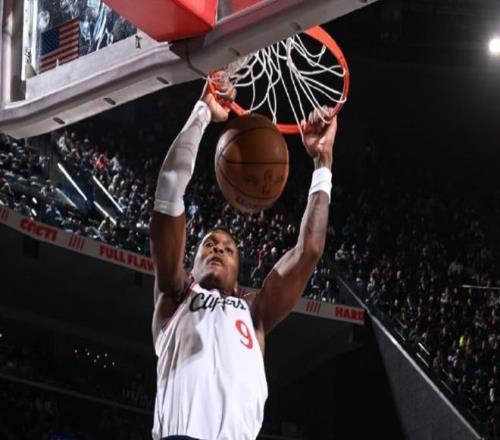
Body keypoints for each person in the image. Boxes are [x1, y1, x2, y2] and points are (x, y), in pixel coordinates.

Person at [150, 73, 338, 440]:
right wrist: (203, 112)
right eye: (208, 244)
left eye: (228, 247)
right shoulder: (175, 296)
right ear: (191, 264)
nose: (218, 248)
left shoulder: (254, 312)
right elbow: (169, 189)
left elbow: (309, 251)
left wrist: (323, 163)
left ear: (240, 274)